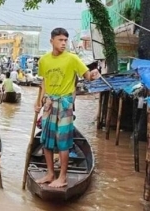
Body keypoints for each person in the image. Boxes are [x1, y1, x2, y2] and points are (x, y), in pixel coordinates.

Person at [34, 28, 100, 188]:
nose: (63, 43)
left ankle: (62, 177)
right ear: (52, 41)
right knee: (46, 140)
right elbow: (44, 82)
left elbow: (87, 76)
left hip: (65, 105)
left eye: (65, 40)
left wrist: (93, 74)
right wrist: (38, 102)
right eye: (60, 40)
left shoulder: (72, 59)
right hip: (49, 103)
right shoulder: (43, 60)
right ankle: (50, 173)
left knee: (63, 141)